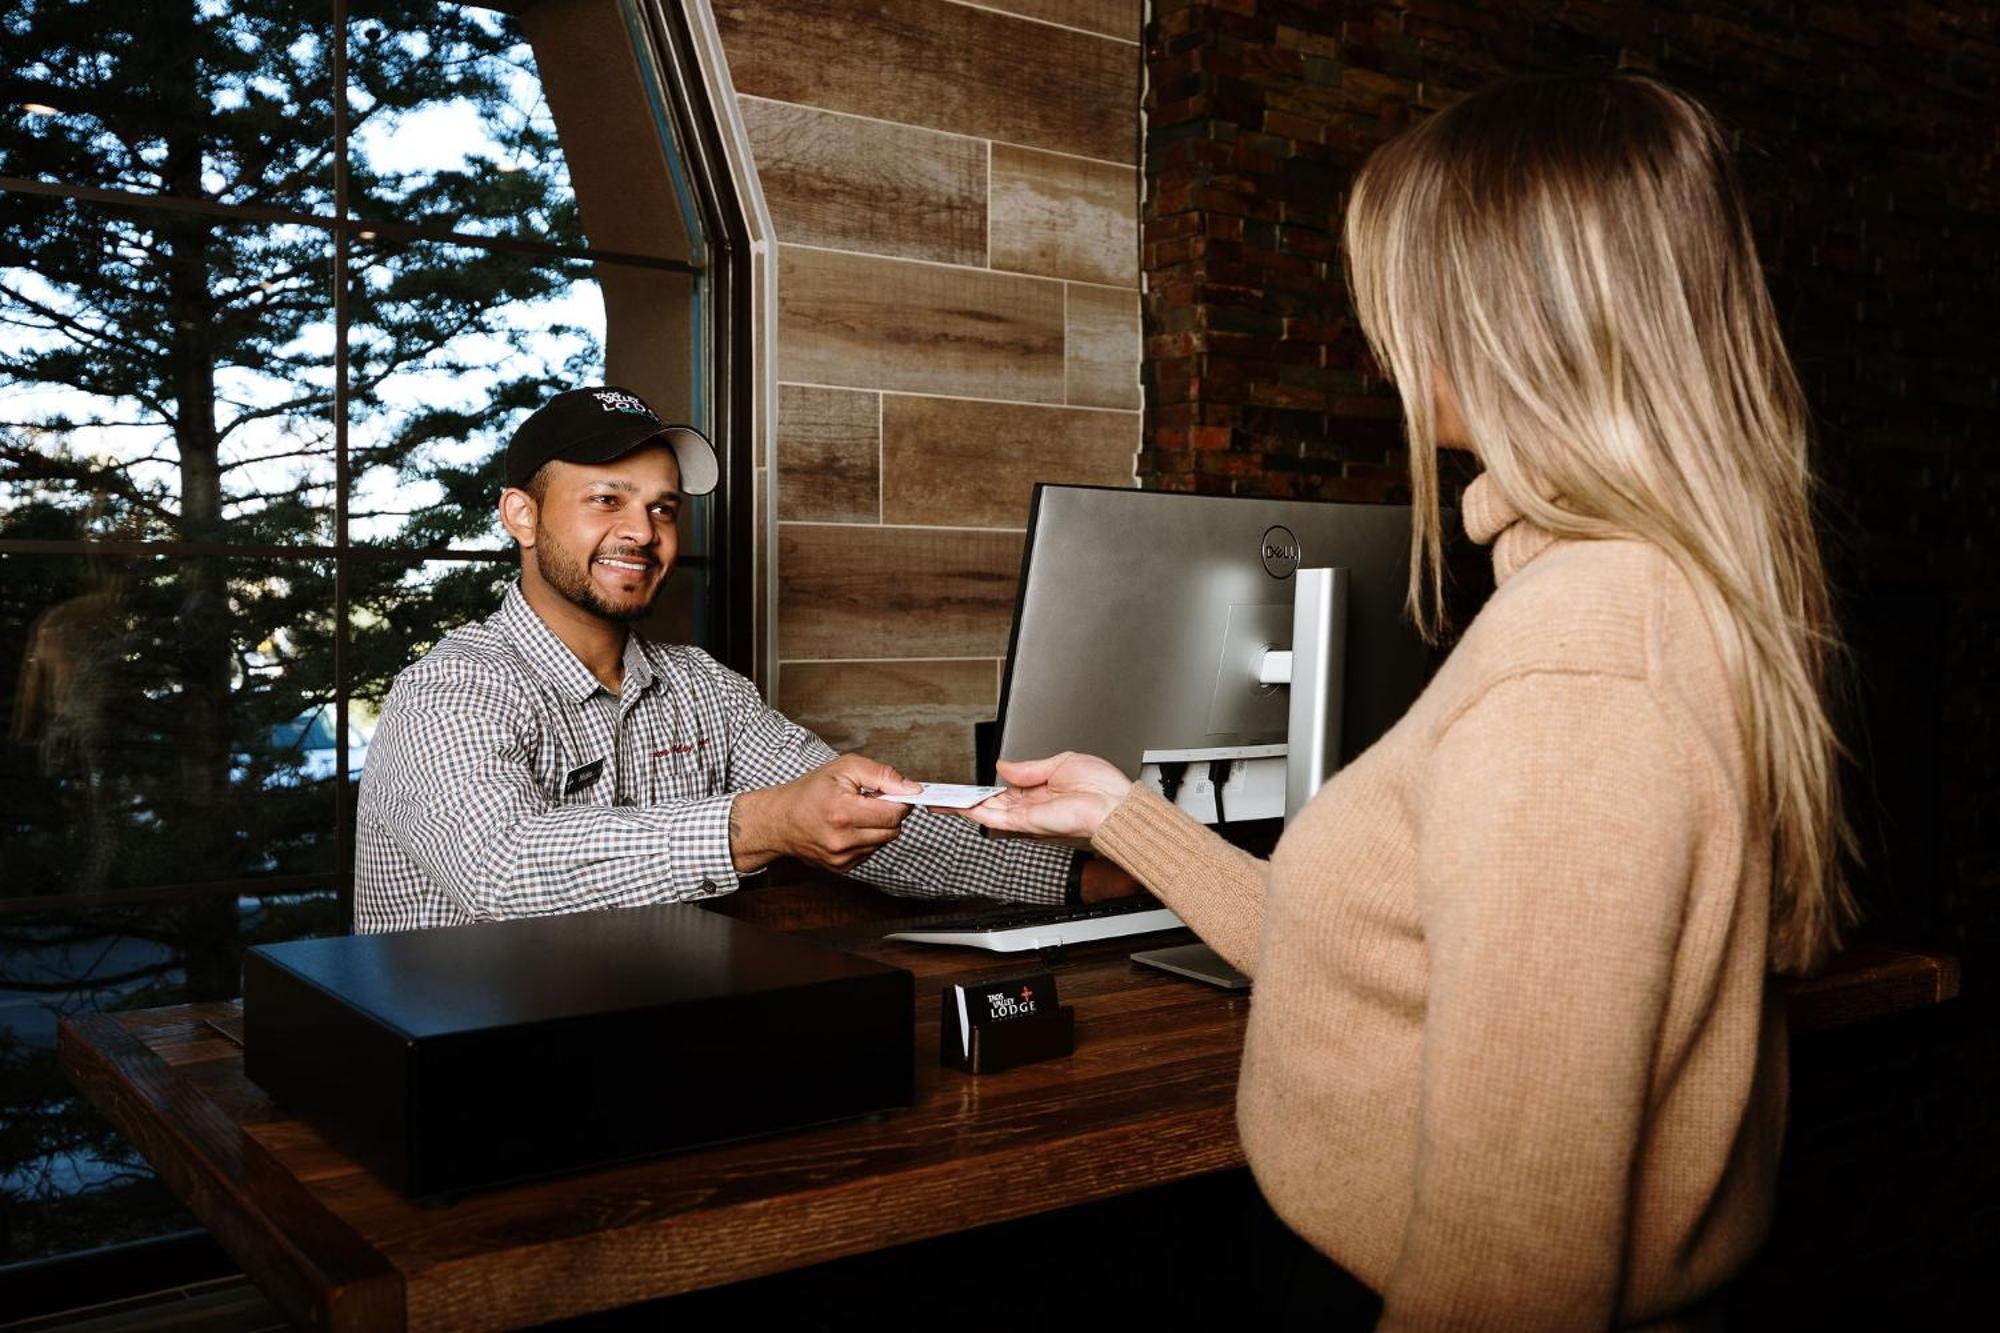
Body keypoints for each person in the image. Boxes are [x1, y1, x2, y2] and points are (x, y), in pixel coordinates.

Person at [959, 75, 1854, 1329]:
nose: (1382, 330)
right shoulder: (1641, 597)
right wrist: (1124, 817)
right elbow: (1377, 962)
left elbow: (1516, 1267)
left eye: (1398, 283)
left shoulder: (1575, 675)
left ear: (1497, 313)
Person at [355, 385, 1133, 932]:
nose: (642, 531)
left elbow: (865, 818)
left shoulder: (701, 688)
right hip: (472, 1068)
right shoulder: (451, 690)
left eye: (662, 508)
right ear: (520, 516)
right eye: (606, 499)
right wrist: (761, 823)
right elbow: (503, 869)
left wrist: (1085, 880)